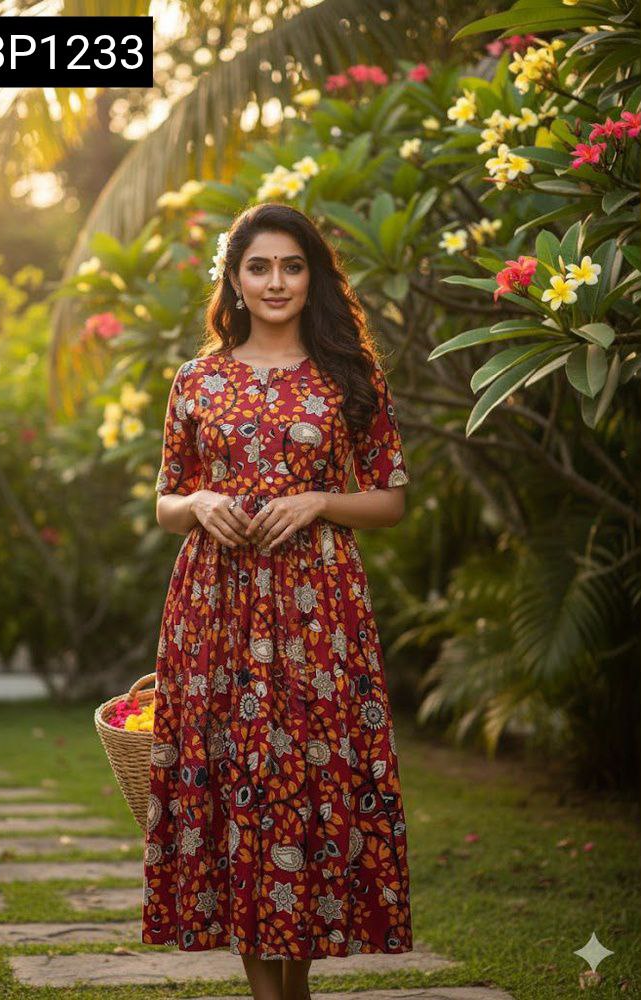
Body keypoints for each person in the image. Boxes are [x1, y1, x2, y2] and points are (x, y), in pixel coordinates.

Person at [142, 202, 413, 1000]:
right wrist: (198, 503)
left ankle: (296, 987)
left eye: (292, 266)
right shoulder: (197, 379)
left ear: (313, 277)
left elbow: (391, 500)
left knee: (310, 776)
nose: (275, 282)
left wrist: (321, 501)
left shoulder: (348, 376)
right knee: (235, 777)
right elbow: (164, 501)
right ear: (234, 278)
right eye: (258, 267)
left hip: (317, 609)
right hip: (216, 606)